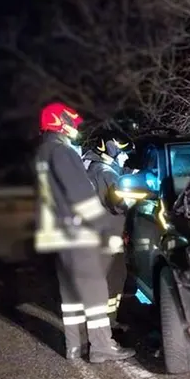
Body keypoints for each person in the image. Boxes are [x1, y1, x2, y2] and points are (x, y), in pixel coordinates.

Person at [34, 102, 135, 363]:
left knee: (70, 296)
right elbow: (81, 196)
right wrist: (102, 227)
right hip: (79, 234)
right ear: (59, 122)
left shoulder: (41, 153)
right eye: (71, 122)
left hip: (58, 235)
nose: (74, 128)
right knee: (95, 291)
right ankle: (102, 347)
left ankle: (74, 347)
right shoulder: (62, 153)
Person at [82, 132, 133, 331]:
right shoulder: (107, 173)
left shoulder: (92, 166)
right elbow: (121, 204)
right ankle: (104, 327)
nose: (125, 156)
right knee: (115, 277)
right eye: (123, 152)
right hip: (107, 234)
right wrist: (135, 197)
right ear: (111, 149)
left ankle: (102, 324)